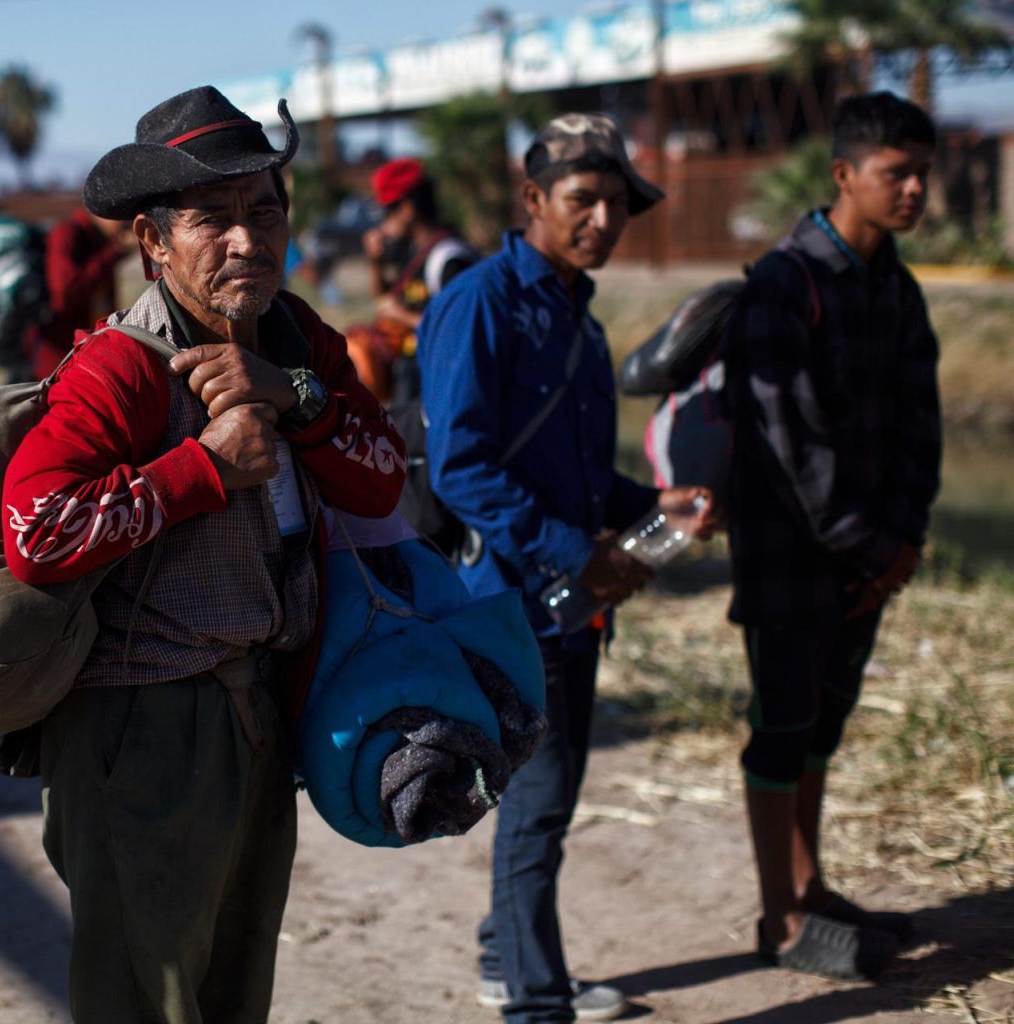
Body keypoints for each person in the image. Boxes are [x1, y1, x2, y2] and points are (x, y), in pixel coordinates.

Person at [0, 85, 406, 1024]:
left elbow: (381, 479)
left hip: (259, 711)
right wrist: (203, 470)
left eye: (263, 213)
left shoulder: (299, 340)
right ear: (152, 242)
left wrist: (293, 396)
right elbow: (35, 533)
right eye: (212, 221)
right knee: (145, 1000)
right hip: (145, 726)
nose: (245, 241)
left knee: (233, 991)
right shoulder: (122, 367)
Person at [417, 114, 717, 1023]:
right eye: (583, 199)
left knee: (542, 806)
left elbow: (578, 478)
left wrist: (645, 511)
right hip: (510, 605)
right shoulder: (481, 303)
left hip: (571, 602)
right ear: (534, 200)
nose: (603, 219)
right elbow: (458, 468)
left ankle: (508, 962)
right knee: (539, 808)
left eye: (618, 203)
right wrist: (576, 550)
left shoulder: (581, 323)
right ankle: (535, 1007)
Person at [723, 91, 940, 981]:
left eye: (924, 173)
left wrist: (901, 543)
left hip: (867, 560)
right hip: (790, 556)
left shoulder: (898, 284)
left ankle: (811, 887)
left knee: (823, 726)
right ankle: (778, 918)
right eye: (898, 173)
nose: (916, 190)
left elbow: (921, 428)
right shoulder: (786, 284)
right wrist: (866, 544)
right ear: (845, 175)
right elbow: (788, 443)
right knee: (780, 725)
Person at [346, 157, 479, 403]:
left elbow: (462, 330)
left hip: (443, 385)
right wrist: (375, 262)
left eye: (387, 212)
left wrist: (403, 317)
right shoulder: (411, 252)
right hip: (413, 379)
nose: (382, 224)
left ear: (407, 210)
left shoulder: (450, 259)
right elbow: (384, 302)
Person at [29, 206, 133, 379]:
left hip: (88, 353)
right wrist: (114, 253)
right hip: (58, 357)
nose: (127, 227)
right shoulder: (68, 234)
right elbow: (64, 296)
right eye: (123, 220)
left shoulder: (101, 242)